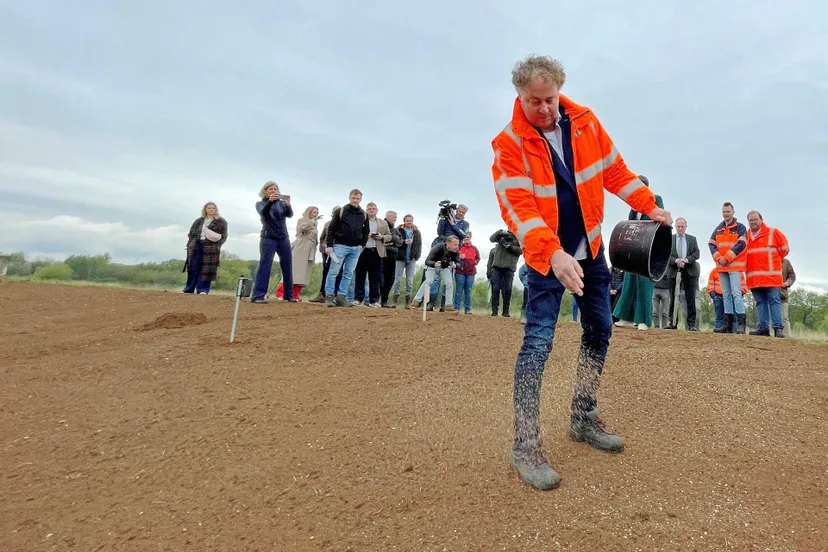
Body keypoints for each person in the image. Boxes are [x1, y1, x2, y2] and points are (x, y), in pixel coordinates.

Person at [491, 55, 672, 491]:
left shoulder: (585, 122)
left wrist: (651, 207)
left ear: (560, 91)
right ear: (519, 96)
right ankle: (526, 444)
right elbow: (519, 208)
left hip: (589, 251)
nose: (545, 109)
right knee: (538, 341)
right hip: (546, 257)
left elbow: (615, 171)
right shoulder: (508, 143)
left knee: (601, 328)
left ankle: (583, 416)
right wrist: (552, 253)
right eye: (535, 101)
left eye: (550, 99)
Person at [612, 176, 664, 331]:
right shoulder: (633, 206)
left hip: (649, 250)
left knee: (644, 285)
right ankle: (625, 317)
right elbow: (629, 226)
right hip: (634, 250)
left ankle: (643, 320)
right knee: (629, 283)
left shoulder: (657, 200)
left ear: (646, 187)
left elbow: (659, 222)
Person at [745, 210, 789, 337]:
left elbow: (784, 250)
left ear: (761, 220)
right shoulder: (746, 235)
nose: (753, 222)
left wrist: (773, 261)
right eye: (751, 220)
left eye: (755, 219)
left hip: (771, 276)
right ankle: (763, 328)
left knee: (774, 301)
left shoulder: (773, 232)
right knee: (760, 302)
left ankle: (778, 329)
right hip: (754, 277)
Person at [251, 182, 294, 303]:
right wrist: (270, 202)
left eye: (276, 189)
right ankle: (258, 295)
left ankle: (288, 295)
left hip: (283, 237)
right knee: (265, 265)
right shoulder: (260, 204)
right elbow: (264, 214)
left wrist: (288, 205)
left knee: (287, 265)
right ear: (265, 191)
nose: (274, 190)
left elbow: (289, 215)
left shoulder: (281, 204)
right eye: (271, 189)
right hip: (268, 237)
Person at [324, 190, 369, 307]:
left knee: (348, 273)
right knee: (334, 271)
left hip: (355, 249)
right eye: (353, 198)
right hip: (340, 246)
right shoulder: (340, 211)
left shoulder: (363, 214)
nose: (355, 200)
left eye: (357, 198)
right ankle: (329, 296)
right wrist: (329, 245)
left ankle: (341, 297)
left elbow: (366, 232)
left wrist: (361, 245)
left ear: (360, 199)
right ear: (349, 197)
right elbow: (331, 229)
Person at [709, 202, 748, 334]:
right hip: (721, 266)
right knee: (726, 294)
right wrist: (719, 258)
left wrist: (727, 257)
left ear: (733, 212)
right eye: (724, 212)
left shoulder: (740, 227)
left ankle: (741, 324)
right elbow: (711, 244)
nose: (726, 214)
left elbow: (741, 244)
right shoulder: (718, 228)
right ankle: (727, 323)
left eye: (728, 212)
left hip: (734, 266)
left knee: (736, 293)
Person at [428, 204, 470, 310]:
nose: (460, 213)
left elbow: (462, 235)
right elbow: (439, 233)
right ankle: (431, 303)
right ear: (456, 210)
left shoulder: (465, 224)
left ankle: (444, 305)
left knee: (448, 278)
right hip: (442, 249)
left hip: (453, 251)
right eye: (459, 211)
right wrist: (443, 220)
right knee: (436, 278)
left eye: (462, 212)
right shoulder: (446, 219)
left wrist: (453, 224)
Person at [276, 206, 320, 301]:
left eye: (316, 213)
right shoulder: (302, 220)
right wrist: (311, 221)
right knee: (294, 271)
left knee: (303, 273)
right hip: (301, 247)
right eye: (313, 212)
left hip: (309, 250)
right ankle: (282, 293)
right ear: (308, 212)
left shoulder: (315, 224)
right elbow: (302, 229)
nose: (315, 215)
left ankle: (295, 294)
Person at [183, 201, 228, 294]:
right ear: (205, 210)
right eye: (209, 208)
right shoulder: (199, 221)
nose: (211, 210)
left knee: (207, 269)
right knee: (193, 267)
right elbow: (191, 233)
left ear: (216, 210)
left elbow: (224, 236)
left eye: (213, 208)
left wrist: (217, 244)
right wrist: (191, 243)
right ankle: (189, 288)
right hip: (196, 245)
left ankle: (203, 289)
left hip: (211, 247)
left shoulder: (221, 221)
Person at [353, 202, 392, 307]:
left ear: (377, 210)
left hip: (376, 251)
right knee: (360, 276)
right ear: (366, 210)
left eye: (373, 209)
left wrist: (381, 237)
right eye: (369, 209)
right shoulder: (361, 221)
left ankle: (374, 300)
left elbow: (389, 236)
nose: (371, 210)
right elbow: (355, 233)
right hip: (363, 251)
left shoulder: (383, 223)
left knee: (375, 278)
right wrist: (365, 235)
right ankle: (358, 299)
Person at [665, 217, 700, 330]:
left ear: (686, 227)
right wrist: (676, 261)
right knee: (672, 298)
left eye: (682, 226)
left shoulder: (692, 239)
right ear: (675, 226)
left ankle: (691, 325)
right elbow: (665, 255)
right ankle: (672, 323)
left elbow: (696, 254)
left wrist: (686, 260)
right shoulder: (669, 239)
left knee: (690, 298)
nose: (680, 228)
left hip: (689, 270)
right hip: (673, 270)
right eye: (678, 226)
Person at [410, 236, 460, 311]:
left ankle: (448, 305)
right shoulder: (438, 247)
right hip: (432, 267)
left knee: (449, 283)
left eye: (457, 244)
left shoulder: (456, 251)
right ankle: (416, 301)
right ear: (448, 243)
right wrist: (435, 264)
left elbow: (459, 263)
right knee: (429, 281)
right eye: (455, 244)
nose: (457, 247)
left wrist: (455, 265)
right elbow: (427, 261)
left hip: (444, 268)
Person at [309, 206, 341, 303]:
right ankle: (322, 294)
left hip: (339, 251)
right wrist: (323, 248)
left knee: (338, 273)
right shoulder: (327, 224)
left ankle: (335, 295)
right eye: (335, 212)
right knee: (326, 272)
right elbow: (322, 238)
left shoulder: (344, 224)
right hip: (327, 252)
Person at [488, 229, 522, 317]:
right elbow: (491, 239)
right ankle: (494, 311)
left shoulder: (519, 239)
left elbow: (520, 251)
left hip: (509, 268)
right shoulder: (502, 235)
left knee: (507, 290)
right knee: (495, 289)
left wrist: (509, 246)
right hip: (497, 267)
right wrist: (499, 232)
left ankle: (505, 311)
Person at [391, 214, 422, 309]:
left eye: (410, 220)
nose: (409, 222)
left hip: (411, 258)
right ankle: (395, 301)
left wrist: (417, 256)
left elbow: (419, 245)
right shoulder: (398, 230)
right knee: (398, 280)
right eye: (407, 220)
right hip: (400, 258)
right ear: (404, 221)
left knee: (410, 281)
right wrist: (404, 242)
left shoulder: (416, 232)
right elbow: (395, 242)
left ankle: (407, 302)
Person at [454, 233, 481, 314]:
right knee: (459, 290)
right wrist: (459, 257)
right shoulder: (459, 247)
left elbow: (478, 258)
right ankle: (457, 308)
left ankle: (468, 309)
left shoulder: (474, 248)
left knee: (468, 291)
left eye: (468, 237)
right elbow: (454, 257)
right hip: (460, 271)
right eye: (465, 237)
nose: (466, 238)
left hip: (471, 272)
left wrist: (474, 262)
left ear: (470, 237)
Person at [380, 211, 402, 307]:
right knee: (380, 278)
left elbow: (400, 242)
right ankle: (376, 299)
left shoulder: (395, 229)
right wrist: (393, 239)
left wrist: (392, 242)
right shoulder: (381, 225)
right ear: (388, 217)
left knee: (390, 279)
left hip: (392, 257)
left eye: (396, 217)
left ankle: (384, 300)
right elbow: (380, 239)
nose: (395, 219)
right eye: (394, 217)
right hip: (382, 255)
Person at [781, 258, 796, 337]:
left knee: (784, 317)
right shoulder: (767, 259)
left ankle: (787, 336)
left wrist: (786, 283)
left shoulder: (786, 262)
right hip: (768, 293)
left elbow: (792, 276)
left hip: (782, 294)